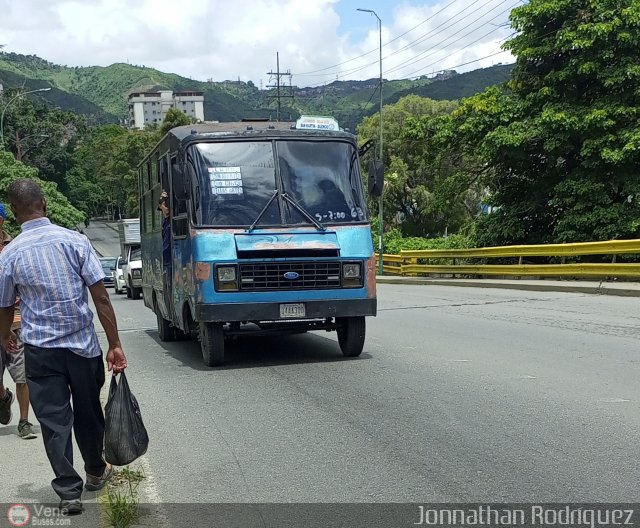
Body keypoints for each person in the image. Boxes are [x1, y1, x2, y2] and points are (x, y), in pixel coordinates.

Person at [0, 180, 128, 515]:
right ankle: (96, 472)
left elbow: (3, 306)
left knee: (55, 422)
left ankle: (69, 492)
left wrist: (4, 336)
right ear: (44, 203)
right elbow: (100, 297)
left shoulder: (10, 253)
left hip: (41, 352)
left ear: (13, 211)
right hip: (82, 347)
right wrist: (114, 344)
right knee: (88, 412)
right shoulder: (75, 241)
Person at [0, 203, 37, 439]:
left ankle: (24, 422)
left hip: (15, 321)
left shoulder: (14, 246)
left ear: (2, 220)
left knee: (21, 376)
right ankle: (3, 397)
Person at [159, 190, 172, 314]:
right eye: (163, 203)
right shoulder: (165, 223)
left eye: (168, 203)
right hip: (167, 262)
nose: (166, 206)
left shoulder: (171, 222)